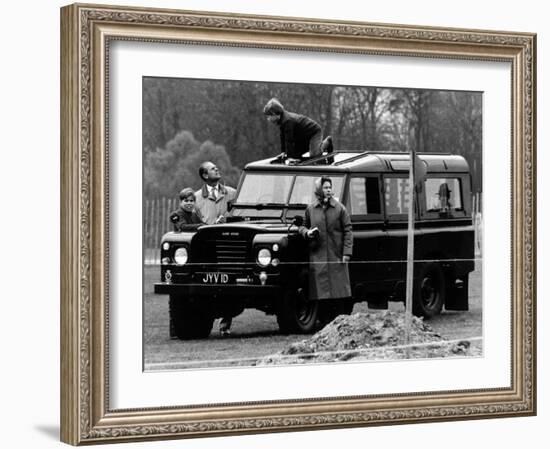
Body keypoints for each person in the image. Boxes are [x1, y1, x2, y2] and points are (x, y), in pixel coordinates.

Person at [194, 161, 237, 336]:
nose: (217, 169)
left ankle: (225, 325)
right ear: (204, 175)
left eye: (216, 167)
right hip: (206, 249)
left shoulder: (233, 193)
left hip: (229, 247)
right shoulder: (196, 198)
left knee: (230, 286)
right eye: (212, 168)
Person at [300, 176, 353, 303]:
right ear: (319, 189)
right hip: (318, 257)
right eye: (325, 188)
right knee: (320, 295)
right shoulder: (311, 209)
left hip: (336, 256)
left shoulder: (340, 209)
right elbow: (302, 226)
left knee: (338, 293)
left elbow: (348, 230)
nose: (328, 190)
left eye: (330, 187)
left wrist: (347, 253)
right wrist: (307, 233)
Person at [263, 98, 332, 161]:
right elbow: (283, 136)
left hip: (313, 132)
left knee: (314, 155)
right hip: (303, 136)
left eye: (269, 116)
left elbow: (289, 140)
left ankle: (327, 142)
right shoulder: (281, 120)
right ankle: (311, 147)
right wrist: (283, 152)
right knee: (295, 155)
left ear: (275, 114)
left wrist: (290, 157)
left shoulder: (287, 121)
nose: (268, 119)